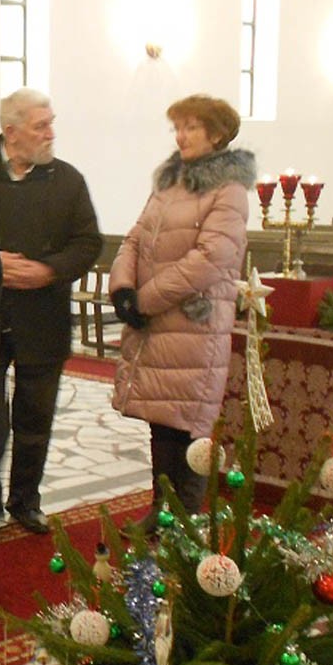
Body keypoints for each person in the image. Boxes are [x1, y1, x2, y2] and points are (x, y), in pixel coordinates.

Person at [109, 94, 255, 534]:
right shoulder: (169, 182)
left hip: (195, 326)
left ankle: (186, 520)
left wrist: (145, 300)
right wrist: (123, 288)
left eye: (191, 127)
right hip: (159, 324)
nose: (181, 136)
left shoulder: (229, 189)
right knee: (162, 420)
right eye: (178, 127)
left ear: (217, 134)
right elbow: (135, 237)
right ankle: (161, 508)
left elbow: (211, 258)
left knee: (188, 423)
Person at [0, 88, 102, 535]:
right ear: (11, 131)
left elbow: (88, 243)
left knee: (35, 419)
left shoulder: (68, 180)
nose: (50, 133)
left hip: (44, 320)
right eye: (40, 125)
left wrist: (49, 271)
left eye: (51, 123)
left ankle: (25, 500)